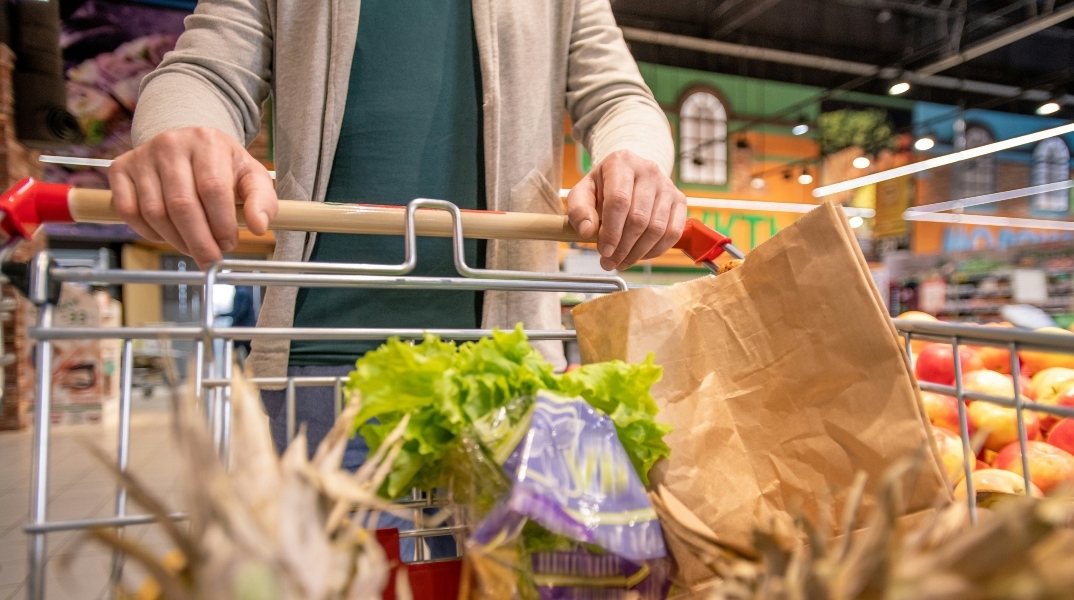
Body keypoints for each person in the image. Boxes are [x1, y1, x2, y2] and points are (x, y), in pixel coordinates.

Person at [112, 0, 685, 557]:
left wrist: (636, 157)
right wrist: (182, 130)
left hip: (512, 364)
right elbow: (207, 68)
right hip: (323, 367)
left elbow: (618, 95)